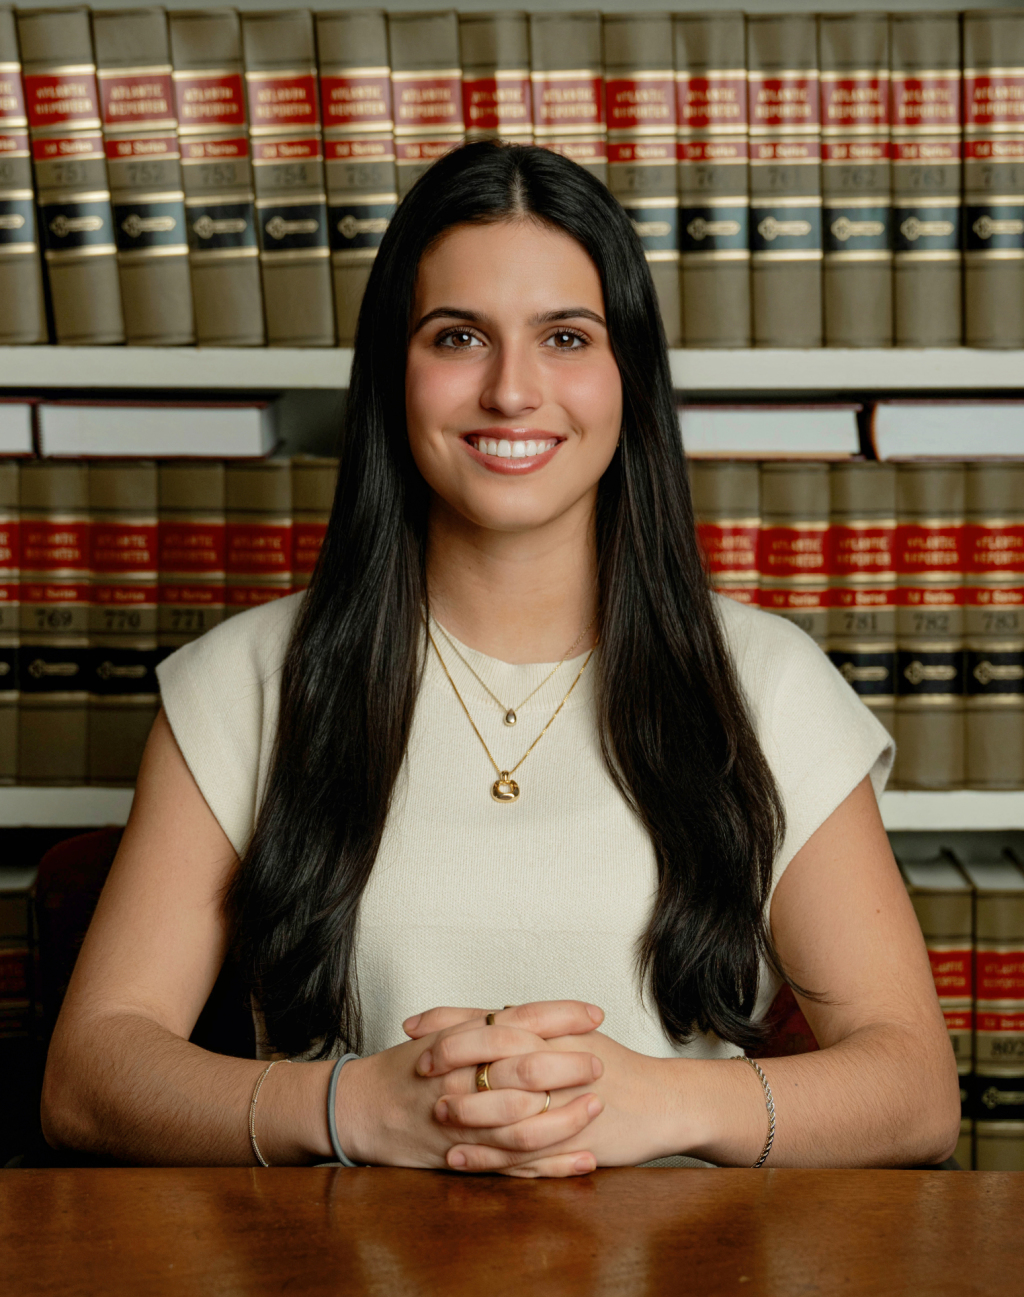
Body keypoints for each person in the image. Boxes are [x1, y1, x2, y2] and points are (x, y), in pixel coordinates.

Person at [42, 143, 960, 1174]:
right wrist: (353, 1107)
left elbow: (916, 1090)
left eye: (565, 336)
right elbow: (89, 1074)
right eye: (459, 336)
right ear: (396, 372)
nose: (512, 391)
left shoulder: (768, 682)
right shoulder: (242, 682)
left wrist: (655, 1100)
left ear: (628, 380)